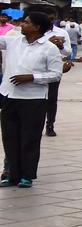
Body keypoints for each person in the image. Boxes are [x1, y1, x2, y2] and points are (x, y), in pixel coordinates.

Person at [0, 11, 63, 187]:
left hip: (33, 99)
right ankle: (11, 174)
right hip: (10, 96)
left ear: (36, 27)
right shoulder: (13, 41)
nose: (22, 24)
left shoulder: (49, 48)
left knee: (30, 139)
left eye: (26, 22)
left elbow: (56, 74)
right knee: (10, 138)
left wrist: (32, 77)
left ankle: (27, 176)